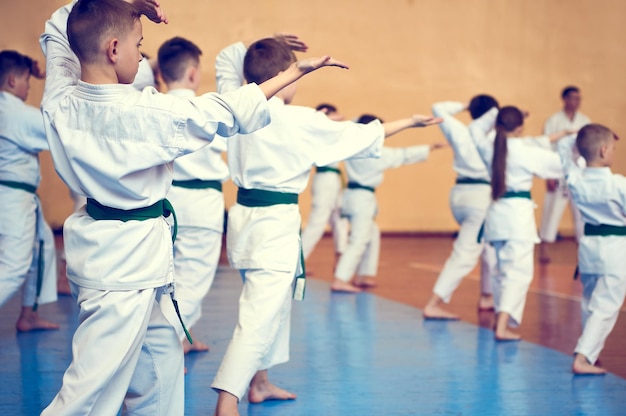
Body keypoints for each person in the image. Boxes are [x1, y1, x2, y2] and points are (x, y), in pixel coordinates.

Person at [39, 1, 345, 414]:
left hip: (107, 250)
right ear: (114, 50)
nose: (141, 54)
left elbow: (58, 28)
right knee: (88, 390)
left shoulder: (60, 97)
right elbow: (224, 112)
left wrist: (125, 6)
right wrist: (292, 73)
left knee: (161, 356)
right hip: (124, 268)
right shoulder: (144, 113)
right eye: (138, 44)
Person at [212, 35, 441, 415]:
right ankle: (226, 402)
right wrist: (411, 122)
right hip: (274, 228)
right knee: (259, 314)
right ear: (290, 74)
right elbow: (367, 134)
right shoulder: (300, 120)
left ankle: (260, 382)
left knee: (271, 307)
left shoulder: (237, 102)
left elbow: (227, 57)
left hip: (246, 224)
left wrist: (266, 42)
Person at [470, 106, 573, 341]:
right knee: (517, 273)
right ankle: (502, 326)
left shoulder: (488, 146)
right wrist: (575, 140)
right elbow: (563, 164)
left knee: (500, 272)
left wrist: (493, 112)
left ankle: (500, 318)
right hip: (517, 219)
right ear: (520, 128)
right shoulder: (526, 151)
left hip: (496, 217)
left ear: (497, 125)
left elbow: (475, 129)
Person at [159, 36, 227, 354]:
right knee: (194, 277)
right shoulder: (207, 108)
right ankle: (164, 349)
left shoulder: (152, 104)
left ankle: (183, 337)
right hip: (201, 204)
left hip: (166, 201)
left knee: (170, 275)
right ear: (193, 74)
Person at [332, 114, 446, 293]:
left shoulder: (351, 146)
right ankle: (340, 278)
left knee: (373, 232)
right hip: (362, 199)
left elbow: (355, 124)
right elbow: (403, 155)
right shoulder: (375, 153)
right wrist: (431, 147)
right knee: (359, 239)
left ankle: (364, 274)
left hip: (351, 196)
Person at [555, 124, 626, 375]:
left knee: (589, 302)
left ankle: (591, 354)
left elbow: (563, 150)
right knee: (605, 307)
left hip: (588, 249)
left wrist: (579, 135)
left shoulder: (575, 178)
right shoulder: (618, 185)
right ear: (605, 150)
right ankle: (583, 357)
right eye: (614, 148)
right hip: (615, 251)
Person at [423, 96, 499, 319]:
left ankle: (487, 296)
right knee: (465, 253)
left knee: (488, 246)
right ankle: (433, 303)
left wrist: (467, 105)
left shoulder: (460, 131)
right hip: (480, 198)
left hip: (460, 194)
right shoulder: (495, 137)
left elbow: (437, 106)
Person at [0, 49, 59, 332]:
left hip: (14, 197)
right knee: (13, 267)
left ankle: (29, 315)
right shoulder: (16, 113)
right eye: (26, 80)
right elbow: (58, 130)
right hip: (13, 199)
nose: (29, 85)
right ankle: (29, 314)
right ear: (12, 80)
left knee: (43, 245)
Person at [539, 86, 591, 262]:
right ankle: (544, 248)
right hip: (557, 171)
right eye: (573, 98)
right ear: (564, 99)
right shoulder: (553, 121)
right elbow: (546, 148)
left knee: (582, 213)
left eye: (579, 98)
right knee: (552, 210)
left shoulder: (585, 121)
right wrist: (548, 175)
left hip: (579, 172)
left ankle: (582, 249)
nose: (576, 102)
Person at [300, 103, 349, 270]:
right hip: (325, 179)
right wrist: (326, 117)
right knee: (318, 222)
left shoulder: (331, 130)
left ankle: (341, 261)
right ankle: (298, 262)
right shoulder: (318, 129)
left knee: (340, 220)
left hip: (333, 180)